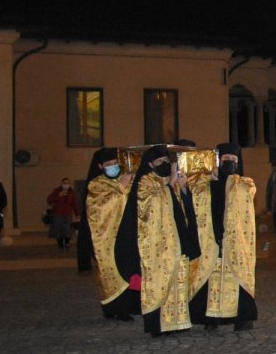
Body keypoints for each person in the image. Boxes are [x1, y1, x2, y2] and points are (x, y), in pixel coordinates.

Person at [117, 145, 196, 337]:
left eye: (166, 162)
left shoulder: (169, 182)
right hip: (155, 245)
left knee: (177, 280)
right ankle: (157, 325)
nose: (164, 165)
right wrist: (169, 185)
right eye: (160, 162)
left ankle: (177, 322)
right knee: (158, 282)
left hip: (175, 241)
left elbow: (182, 207)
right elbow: (148, 208)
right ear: (150, 164)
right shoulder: (145, 181)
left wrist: (183, 187)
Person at [189, 144, 258, 331]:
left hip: (234, 242)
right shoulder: (205, 184)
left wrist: (229, 180)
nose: (229, 162)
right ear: (218, 160)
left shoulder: (244, 183)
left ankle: (242, 319)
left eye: (233, 160)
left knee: (237, 280)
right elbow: (193, 192)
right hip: (211, 238)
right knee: (209, 281)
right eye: (226, 159)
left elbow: (247, 194)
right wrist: (208, 179)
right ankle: (211, 319)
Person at [83, 147, 139, 321]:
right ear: (100, 166)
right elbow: (100, 208)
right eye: (109, 164)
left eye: (115, 163)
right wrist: (121, 188)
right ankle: (115, 309)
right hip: (107, 237)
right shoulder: (96, 185)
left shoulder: (128, 180)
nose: (113, 166)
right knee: (112, 271)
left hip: (129, 234)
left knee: (132, 268)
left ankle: (133, 305)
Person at [46, 177, 80, 250]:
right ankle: (60, 244)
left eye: (67, 183)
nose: (66, 185)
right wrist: (58, 196)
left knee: (67, 229)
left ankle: (67, 243)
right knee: (58, 230)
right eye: (64, 183)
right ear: (62, 184)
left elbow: (74, 204)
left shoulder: (71, 192)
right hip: (57, 214)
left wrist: (77, 214)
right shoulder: (56, 191)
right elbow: (49, 200)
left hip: (67, 214)